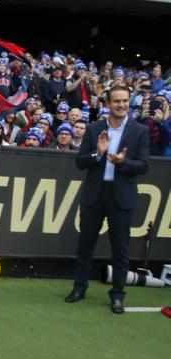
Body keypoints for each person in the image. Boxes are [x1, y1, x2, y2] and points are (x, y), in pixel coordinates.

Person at [65, 85, 150, 314]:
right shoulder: (94, 129)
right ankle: (79, 288)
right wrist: (99, 153)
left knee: (120, 249)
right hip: (95, 193)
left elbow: (143, 165)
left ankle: (118, 295)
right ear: (108, 104)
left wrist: (123, 163)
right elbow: (81, 161)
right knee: (85, 244)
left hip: (122, 196)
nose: (121, 105)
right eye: (116, 101)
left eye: (124, 101)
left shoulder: (139, 131)